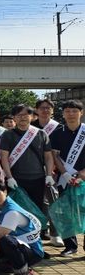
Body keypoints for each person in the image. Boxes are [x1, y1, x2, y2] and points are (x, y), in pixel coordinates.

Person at [0, 104, 55, 235]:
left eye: (26, 115)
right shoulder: (8, 135)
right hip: (17, 180)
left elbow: (48, 156)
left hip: (38, 179)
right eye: (19, 115)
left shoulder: (41, 134)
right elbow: (4, 157)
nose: (22, 118)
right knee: (18, 210)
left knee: (37, 208)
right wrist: (9, 177)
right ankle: (20, 237)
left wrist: (49, 175)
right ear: (14, 118)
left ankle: (37, 237)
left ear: (32, 116)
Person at [0, 180, 43, 275]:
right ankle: (4, 263)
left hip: (32, 252)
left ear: (5, 192)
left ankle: (24, 272)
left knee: (4, 239)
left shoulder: (12, 212)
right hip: (15, 246)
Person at [49, 99, 85, 256]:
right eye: (67, 111)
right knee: (64, 212)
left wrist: (82, 173)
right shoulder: (57, 133)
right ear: (63, 114)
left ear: (81, 113)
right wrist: (65, 173)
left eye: (74, 111)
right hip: (65, 178)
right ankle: (71, 245)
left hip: (84, 177)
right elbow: (55, 156)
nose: (71, 114)